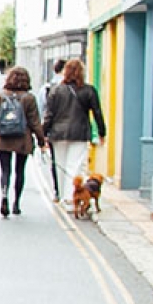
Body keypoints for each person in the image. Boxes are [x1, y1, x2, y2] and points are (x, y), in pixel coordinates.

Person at [42, 57, 107, 206]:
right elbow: (97, 113)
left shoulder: (56, 90)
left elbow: (49, 115)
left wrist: (43, 135)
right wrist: (102, 133)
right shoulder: (89, 90)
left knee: (61, 166)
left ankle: (64, 196)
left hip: (58, 134)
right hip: (79, 133)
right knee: (75, 165)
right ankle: (71, 197)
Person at [0, 65, 45, 217]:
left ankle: (4, 195)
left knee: (5, 170)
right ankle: (16, 203)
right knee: (20, 171)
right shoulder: (29, 98)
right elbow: (35, 122)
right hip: (22, 139)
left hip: (2, 138)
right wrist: (41, 141)